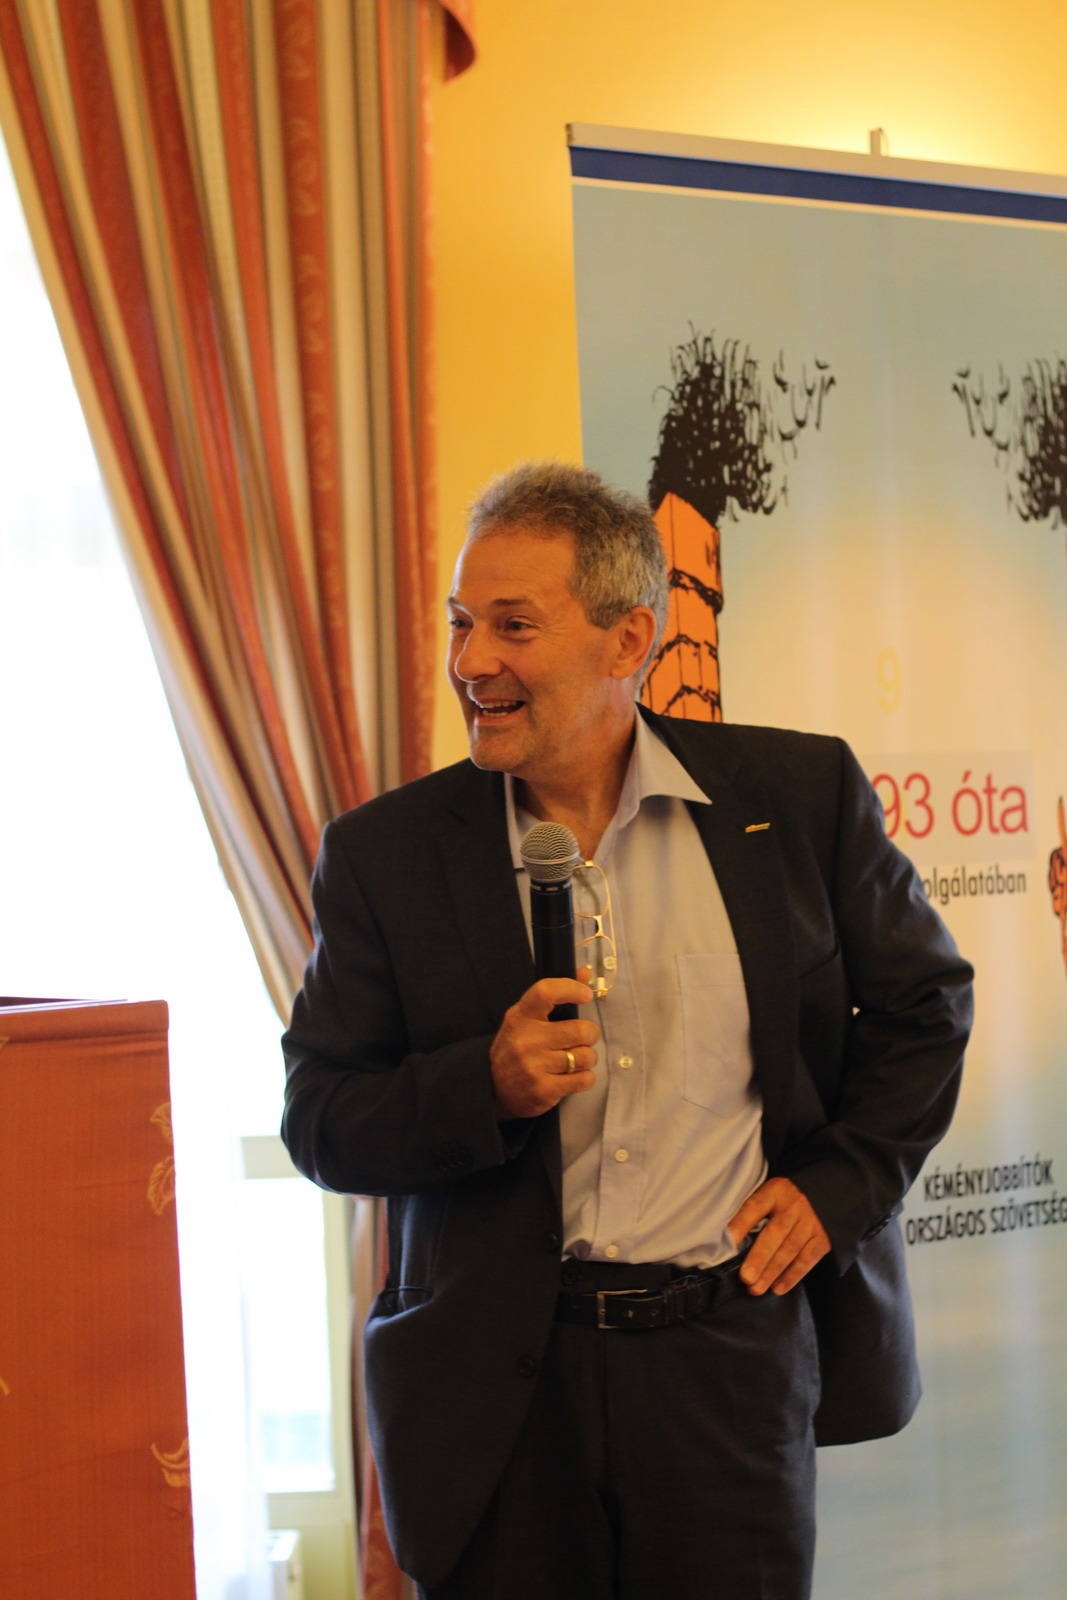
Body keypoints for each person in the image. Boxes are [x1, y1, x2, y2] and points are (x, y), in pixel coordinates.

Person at [281, 462, 974, 1600]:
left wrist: (839, 1185)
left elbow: (925, 1005)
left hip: (725, 1366)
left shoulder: (796, 795)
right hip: (498, 1392)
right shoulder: (384, 854)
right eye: (460, 624)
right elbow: (319, 1119)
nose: (471, 662)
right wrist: (483, 1086)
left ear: (628, 639)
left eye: (513, 626)